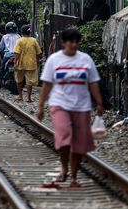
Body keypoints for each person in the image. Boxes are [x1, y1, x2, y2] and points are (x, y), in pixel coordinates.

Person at [36, 28, 104, 187]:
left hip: (82, 106)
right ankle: (64, 168)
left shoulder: (86, 59)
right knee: (64, 135)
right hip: (60, 103)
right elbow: (47, 84)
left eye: (76, 42)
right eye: (70, 41)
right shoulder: (54, 60)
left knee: (79, 142)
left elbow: (93, 83)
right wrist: (40, 106)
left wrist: (99, 102)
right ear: (63, 43)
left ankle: (73, 175)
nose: (73, 45)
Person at [13, 25, 42, 102]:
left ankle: (20, 96)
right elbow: (38, 53)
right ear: (30, 32)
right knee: (29, 82)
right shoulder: (34, 40)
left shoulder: (19, 41)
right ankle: (29, 98)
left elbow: (17, 53)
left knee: (19, 80)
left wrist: (15, 62)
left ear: (21, 32)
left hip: (20, 64)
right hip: (31, 64)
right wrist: (37, 61)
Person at [0, 22, 21, 92]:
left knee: (2, 69)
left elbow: (1, 48)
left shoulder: (4, 37)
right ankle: (21, 85)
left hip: (7, 55)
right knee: (20, 69)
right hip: (16, 55)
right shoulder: (18, 36)